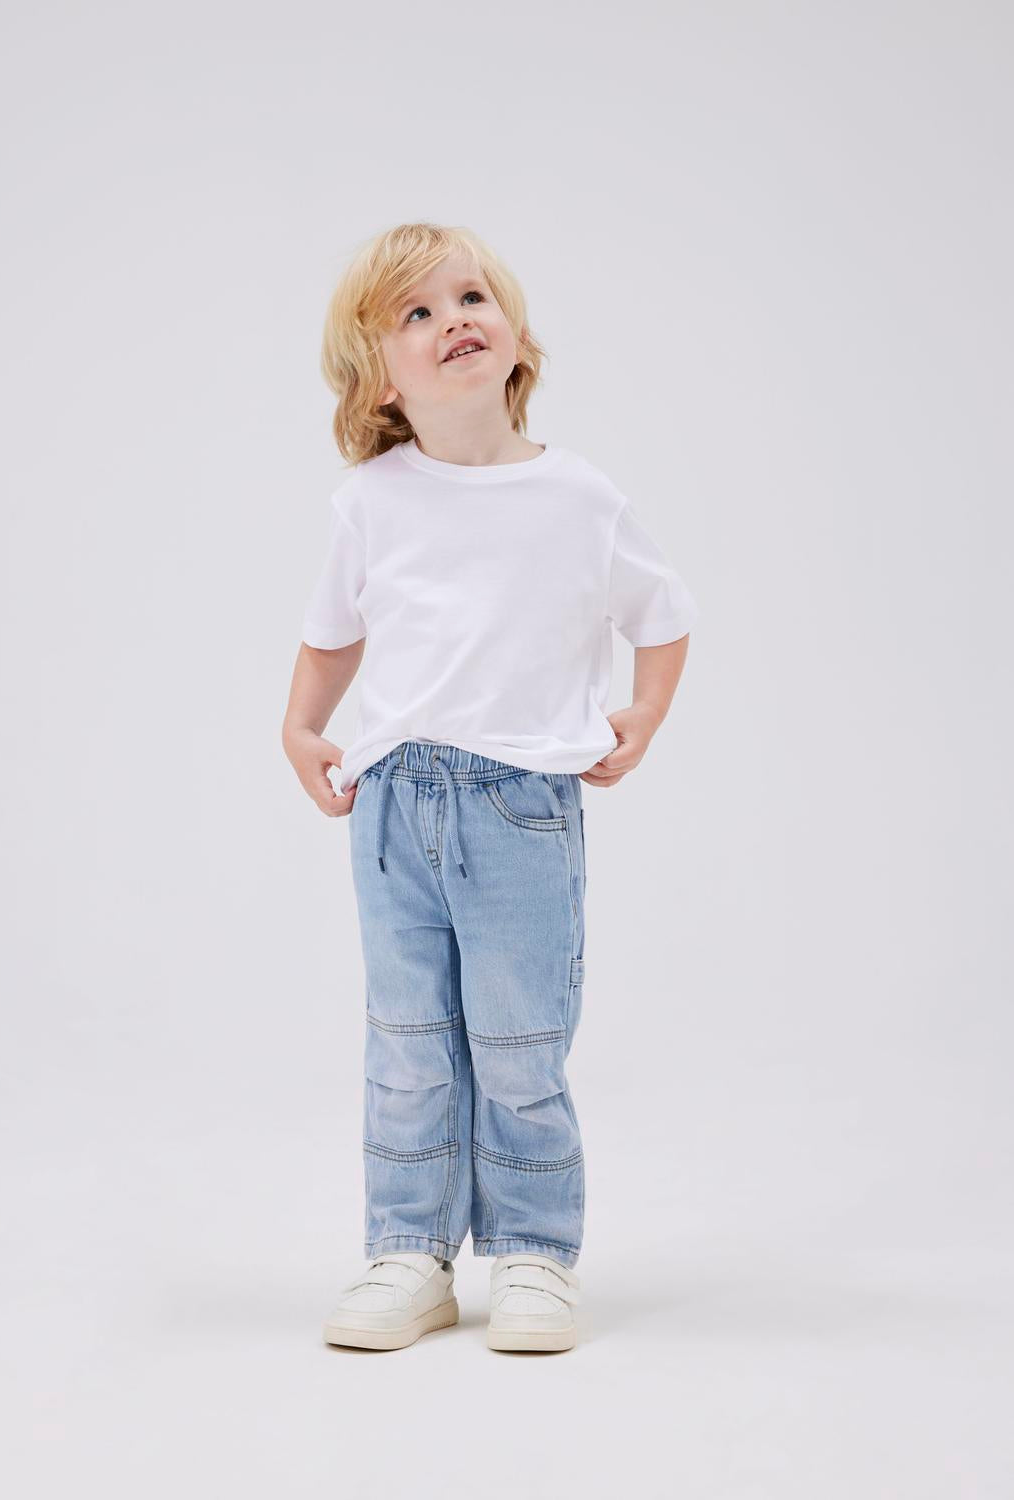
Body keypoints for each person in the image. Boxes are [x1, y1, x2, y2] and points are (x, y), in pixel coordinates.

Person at [282, 222, 699, 1353]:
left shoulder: (577, 495)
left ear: (515, 337)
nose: (452, 319)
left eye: (470, 297)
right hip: (391, 807)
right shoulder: (371, 499)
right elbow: (332, 633)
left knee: (519, 1044)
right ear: (378, 379)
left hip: (521, 806)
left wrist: (645, 713)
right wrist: (303, 726)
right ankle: (408, 1251)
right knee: (409, 1044)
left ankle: (533, 1253)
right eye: (414, 314)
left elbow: (661, 617)